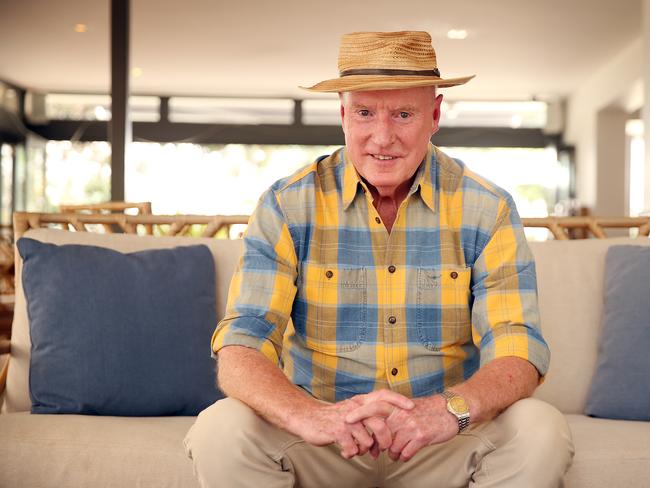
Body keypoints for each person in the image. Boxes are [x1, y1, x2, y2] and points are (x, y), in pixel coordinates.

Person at [184, 31, 574, 487]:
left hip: (443, 440)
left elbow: (517, 346)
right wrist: (309, 416)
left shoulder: (488, 208)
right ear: (344, 116)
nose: (382, 137)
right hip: (323, 439)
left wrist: (448, 411)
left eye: (403, 114)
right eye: (366, 113)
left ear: (434, 115)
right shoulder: (287, 205)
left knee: (540, 428)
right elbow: (242, 343)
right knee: (219, 428)